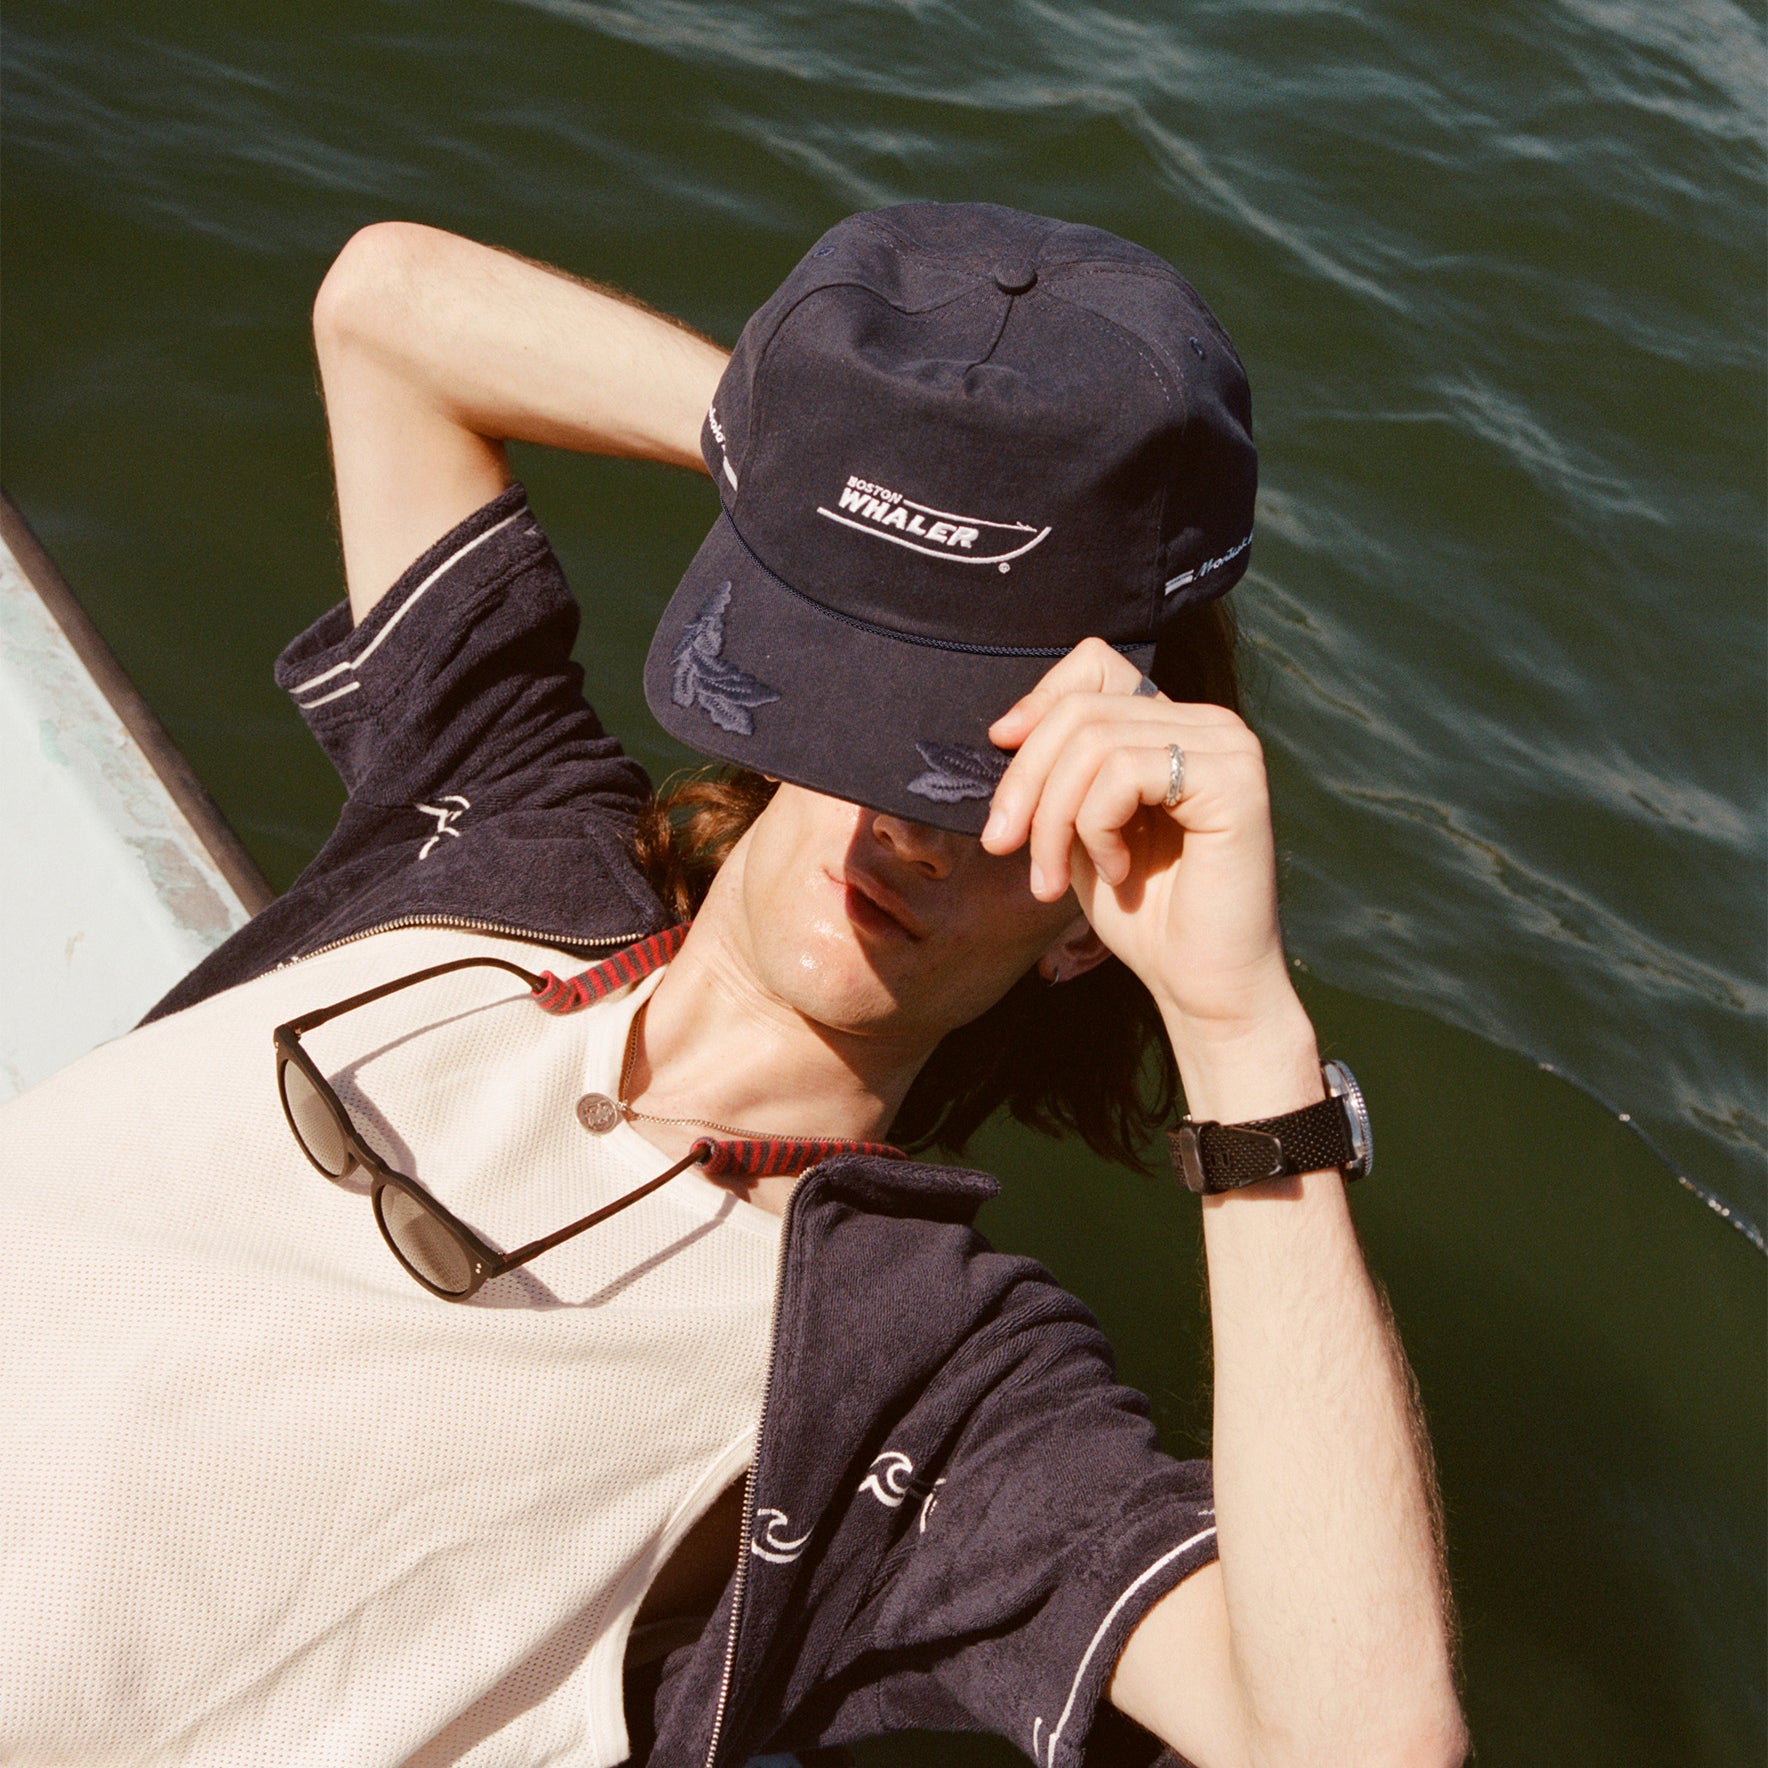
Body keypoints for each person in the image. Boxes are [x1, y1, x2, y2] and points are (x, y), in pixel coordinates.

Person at [0, 203, 1466, 1768]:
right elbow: (390, 310)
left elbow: (1359, 1747)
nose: (902, 822)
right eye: (883, 700)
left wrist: (1241, 1032)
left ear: (1088, 921)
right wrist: (840, 496)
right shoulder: (507, 821)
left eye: (996, 774)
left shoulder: (906, 1370)